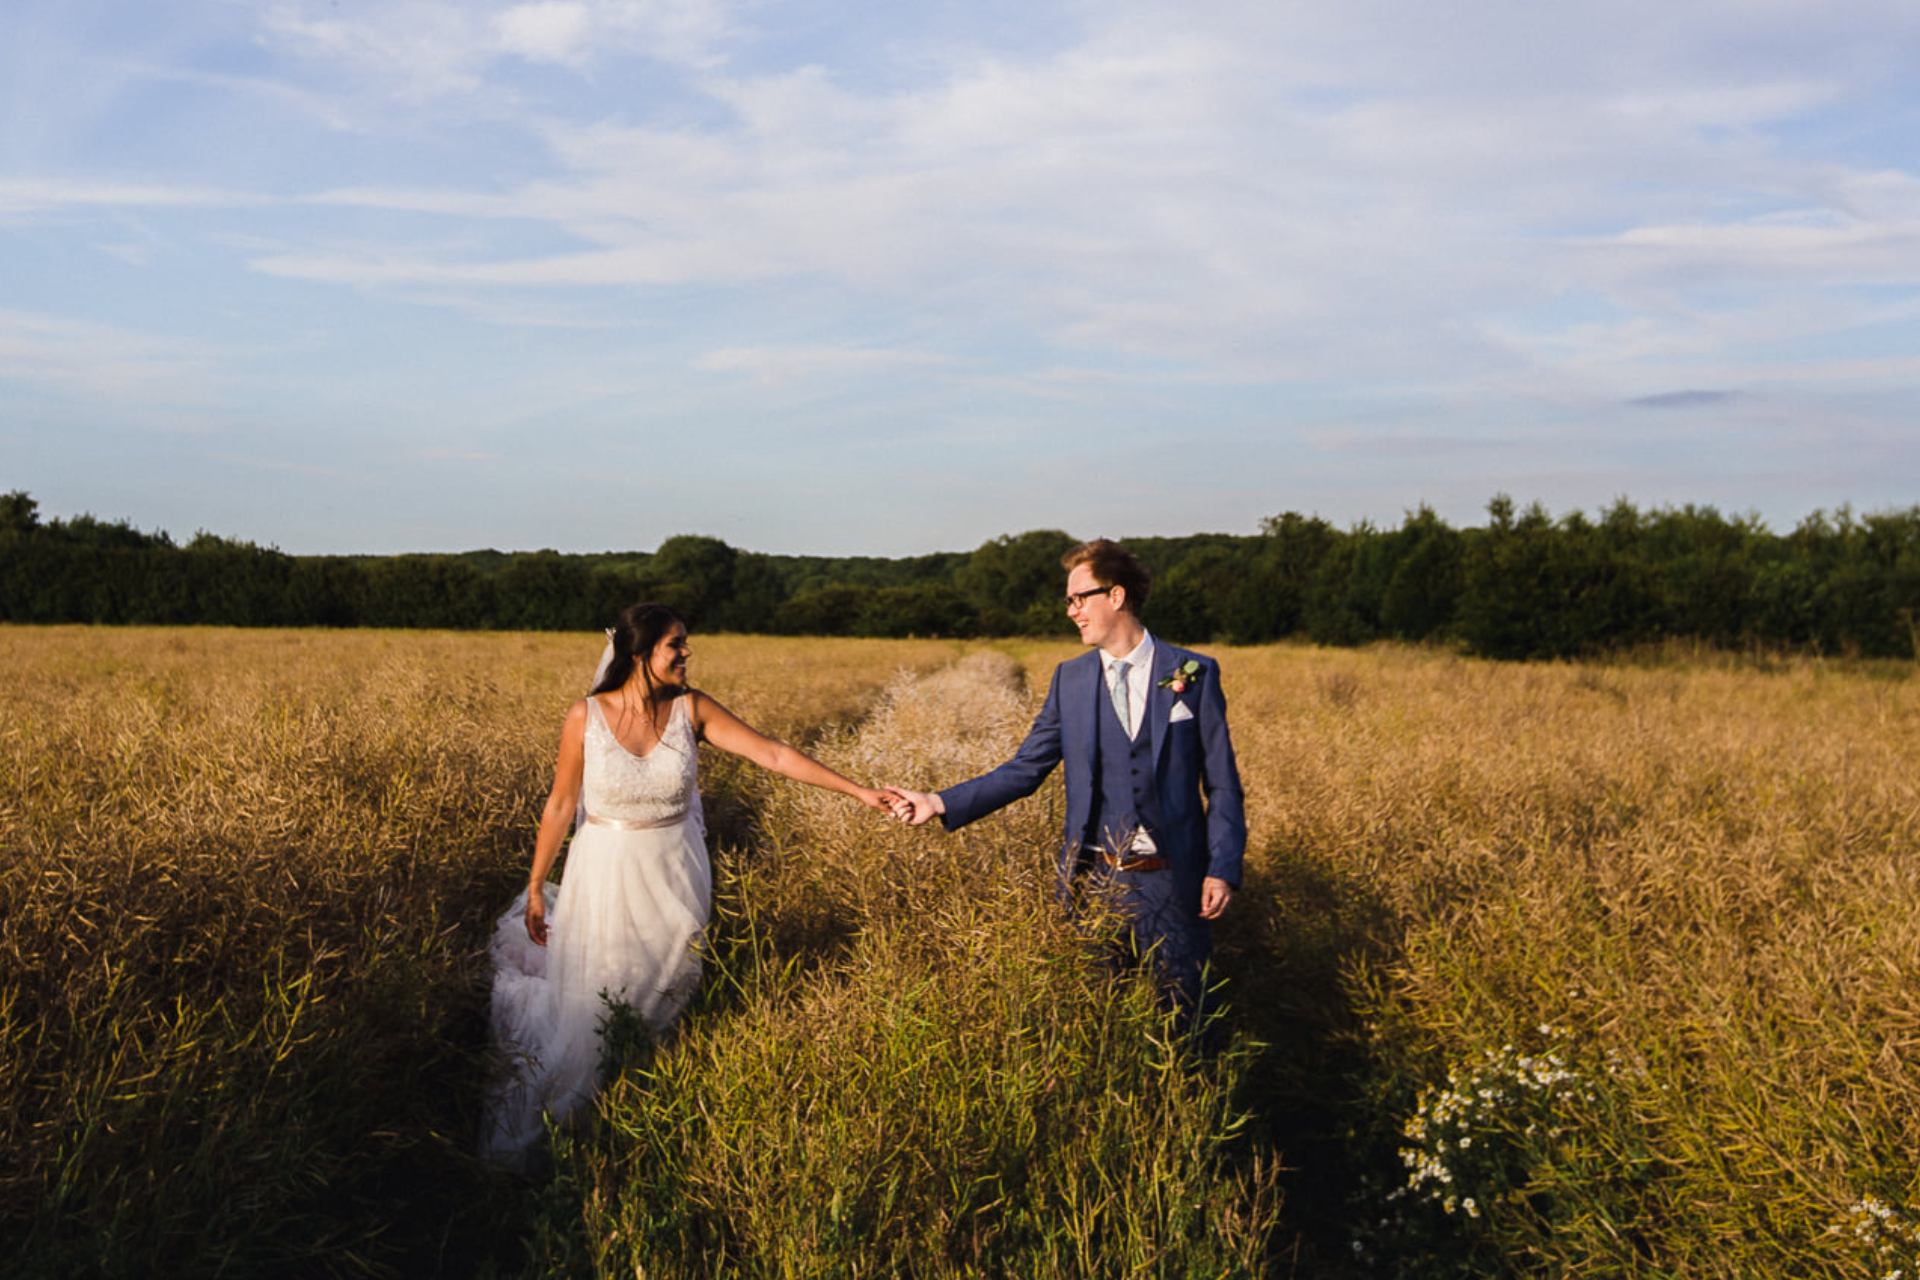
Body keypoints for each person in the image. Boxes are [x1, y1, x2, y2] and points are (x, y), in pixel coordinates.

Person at [483, 602, 896, 1168]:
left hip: (675, 872)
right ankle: (584, 1121)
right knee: (602, 991)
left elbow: (771, 752)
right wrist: (535, 886)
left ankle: (646, 1113)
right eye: (675, 644)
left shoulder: (692, 709)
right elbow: (559, 804)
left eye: (685, 643)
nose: (686, 653)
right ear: (639, 654)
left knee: (669, 984)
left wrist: (860, 792)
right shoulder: (585, 716)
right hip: (604, 871)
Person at [887, 538, 1245, 1029]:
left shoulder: (1191, 672)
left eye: (1080, 597)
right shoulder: (1069, 680)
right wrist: (939, 801)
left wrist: (1222, 869)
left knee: (1185, 1025)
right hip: (1093, 884)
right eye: (1068, 601)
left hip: (1174, 883)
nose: (1072, 610)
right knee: (1100, 1028)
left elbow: (1223, 784)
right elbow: (1025, 770)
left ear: (1116, 597)